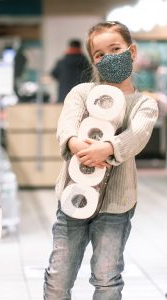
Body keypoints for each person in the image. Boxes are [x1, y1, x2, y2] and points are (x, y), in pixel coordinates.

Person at [44, 21, 158, 299]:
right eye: (100, 54)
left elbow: (138, 135)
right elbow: (66, 127)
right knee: (59, 277)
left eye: (116, 49)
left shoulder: (144, 103)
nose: (108, 57)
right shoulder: (82, 94)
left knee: (107, 278)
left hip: (116, 205)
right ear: (92, 60)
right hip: (74, 196)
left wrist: (106, 148)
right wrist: (76, 144)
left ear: (131, 51)